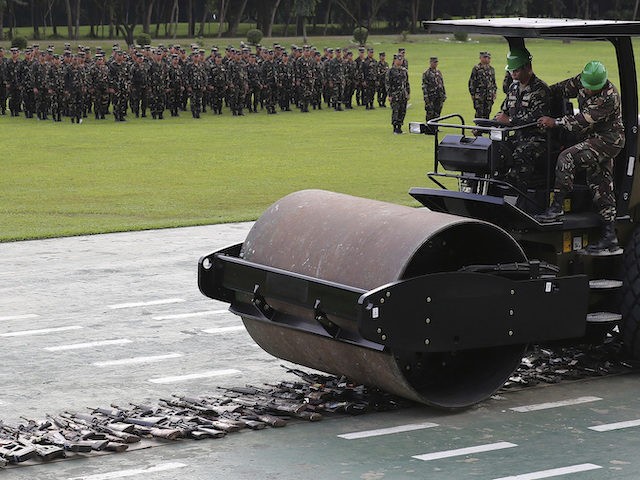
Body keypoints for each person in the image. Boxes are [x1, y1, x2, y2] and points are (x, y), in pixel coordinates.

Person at [536, 61, 625, 254]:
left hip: (608, 141)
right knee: (601, 184)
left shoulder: (609, 97)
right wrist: (541, 93)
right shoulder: (583, 80)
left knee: (567, 158)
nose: (587, 89)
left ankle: (556, 208)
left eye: (592, 88)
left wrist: (555, 122)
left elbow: (581, 121)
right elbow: (560, 89)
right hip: (593, 138)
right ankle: (610, 237)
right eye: (585, 85)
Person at [494, 47, 550, 193]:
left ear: (527, 67)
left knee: (521, 153)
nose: (513, 74)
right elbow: (503, 112)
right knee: (493, 149)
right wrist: (487, 124)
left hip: (537, 139)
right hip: (517, 136)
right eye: (511, 71)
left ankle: (517, 194)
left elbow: (537, 119)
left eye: (516, 70)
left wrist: (511, 121)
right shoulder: (513, 87)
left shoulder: (540, 89)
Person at [386, 53, 410, 134]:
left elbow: (407, 83)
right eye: (398, 60)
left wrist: (408, 93)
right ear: (394, 60)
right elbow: (388, 83)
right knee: (395, 111)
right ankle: (395, 128)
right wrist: (389, 95)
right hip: (395, 94)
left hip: (403, 94)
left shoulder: (404, 71)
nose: (400, 61)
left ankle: (400, 127)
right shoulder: (391, 71)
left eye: (401, 60)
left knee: (402, 111)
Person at [468, 51, 497, 119]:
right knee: (479, 112)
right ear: (480, 58)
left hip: (489, 95)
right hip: (479, 95)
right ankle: (478, 128)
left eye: (488, 58)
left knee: (487, 112)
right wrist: (472, 94)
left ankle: (485, 128)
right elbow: (472, 81)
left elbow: (493, 82)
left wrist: (494, 92)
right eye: (485, 57)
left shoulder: (491, 69)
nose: (487, 59)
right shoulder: (476, 68)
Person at [422, 56, 446, 121]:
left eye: (436, 62)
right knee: (430, 112)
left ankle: (436, 127)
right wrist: (426, 97)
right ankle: (429, 128)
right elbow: (424, 86)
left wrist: (444, 94)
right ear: (430, 63)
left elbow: (441, 84)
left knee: (437, 112)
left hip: (439, 95)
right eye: (434, 62)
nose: (435, 64)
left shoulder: (438, 72)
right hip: (431, 96)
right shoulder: (426, 73)